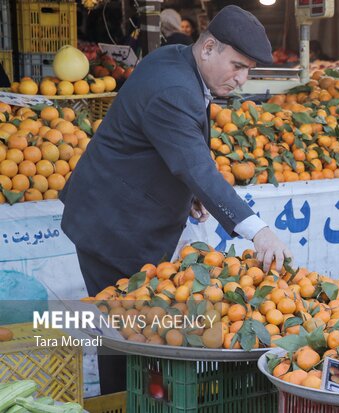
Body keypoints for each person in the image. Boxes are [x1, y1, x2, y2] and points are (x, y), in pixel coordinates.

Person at [60, 5, 291, 393]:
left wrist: (187, 195)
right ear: (208, 47)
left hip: (122, 212)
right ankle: (125, 402)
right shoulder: (173, 88)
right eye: (237, 65)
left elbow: (175, 148)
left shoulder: (175, 59)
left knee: (136, 332)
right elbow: (196, 167)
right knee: (125, 336)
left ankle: (138, 397)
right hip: (113, 226)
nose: (242, 79)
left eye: (249, 70)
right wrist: (258, 231)